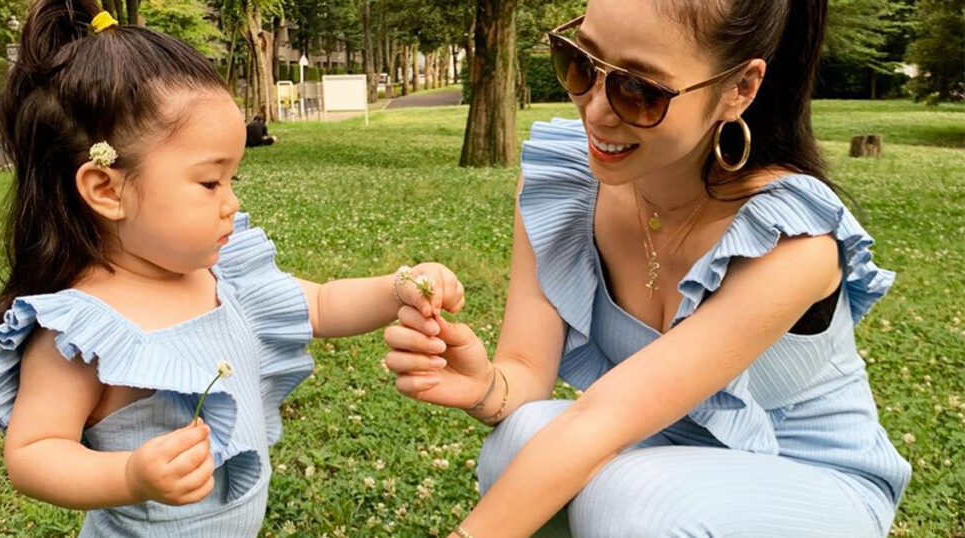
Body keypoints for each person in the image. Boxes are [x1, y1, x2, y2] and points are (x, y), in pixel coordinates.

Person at [382, 1, 910, 536]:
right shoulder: (567, 183)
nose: (595, 110)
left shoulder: (789, 240)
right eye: (579, 63)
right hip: (667, 447)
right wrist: (485, 387)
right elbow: (525, 370)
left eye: (641, 90)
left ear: (740, 89)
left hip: (807, 482)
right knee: (518, 442)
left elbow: (603, 420)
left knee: (635, 502)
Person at [0, 3, 463, 536]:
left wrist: (399, 286)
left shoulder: (223, 275)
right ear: (106, 189)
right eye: (210, 183)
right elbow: (34, 453)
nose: (229, 203)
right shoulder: (82, 329)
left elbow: (320, 305)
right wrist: (130, 475)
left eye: (233, 180)